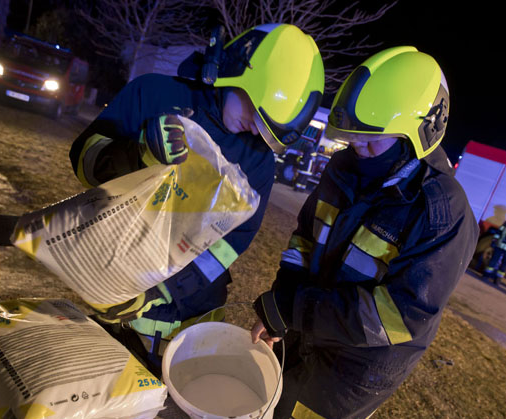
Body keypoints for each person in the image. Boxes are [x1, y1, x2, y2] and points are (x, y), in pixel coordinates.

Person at [205, 46, 478, 419]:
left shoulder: (442, 213)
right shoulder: (345, 168)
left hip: (360, 363)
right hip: (308, 328)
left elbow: (398, 316)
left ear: (421, 130)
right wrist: (281, 301)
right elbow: (304, 240)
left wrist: (293, 309)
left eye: (372, 140)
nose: (357, 148)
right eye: (351, 137)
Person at [68, 24, 324, 368]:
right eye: (253, 109)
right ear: (232, 69)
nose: (256, 128)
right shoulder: (153, 95)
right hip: (117, 292)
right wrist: (136, 153)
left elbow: (230, 244)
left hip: (197, 313)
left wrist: (162, 290)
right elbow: (84, 160)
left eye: (270, 127)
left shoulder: (259, 162)